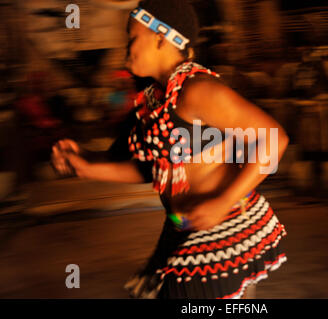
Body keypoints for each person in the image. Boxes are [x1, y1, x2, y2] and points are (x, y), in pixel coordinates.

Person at [51, 0, 289, 299]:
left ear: (160, 38)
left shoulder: (197, 90)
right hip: (181, 228)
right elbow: (153, 168)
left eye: (132, 38)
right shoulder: (153, 99)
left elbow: (274, 139)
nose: (126, 49)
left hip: (223, 227)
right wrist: (84, 163)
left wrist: (222, 201)